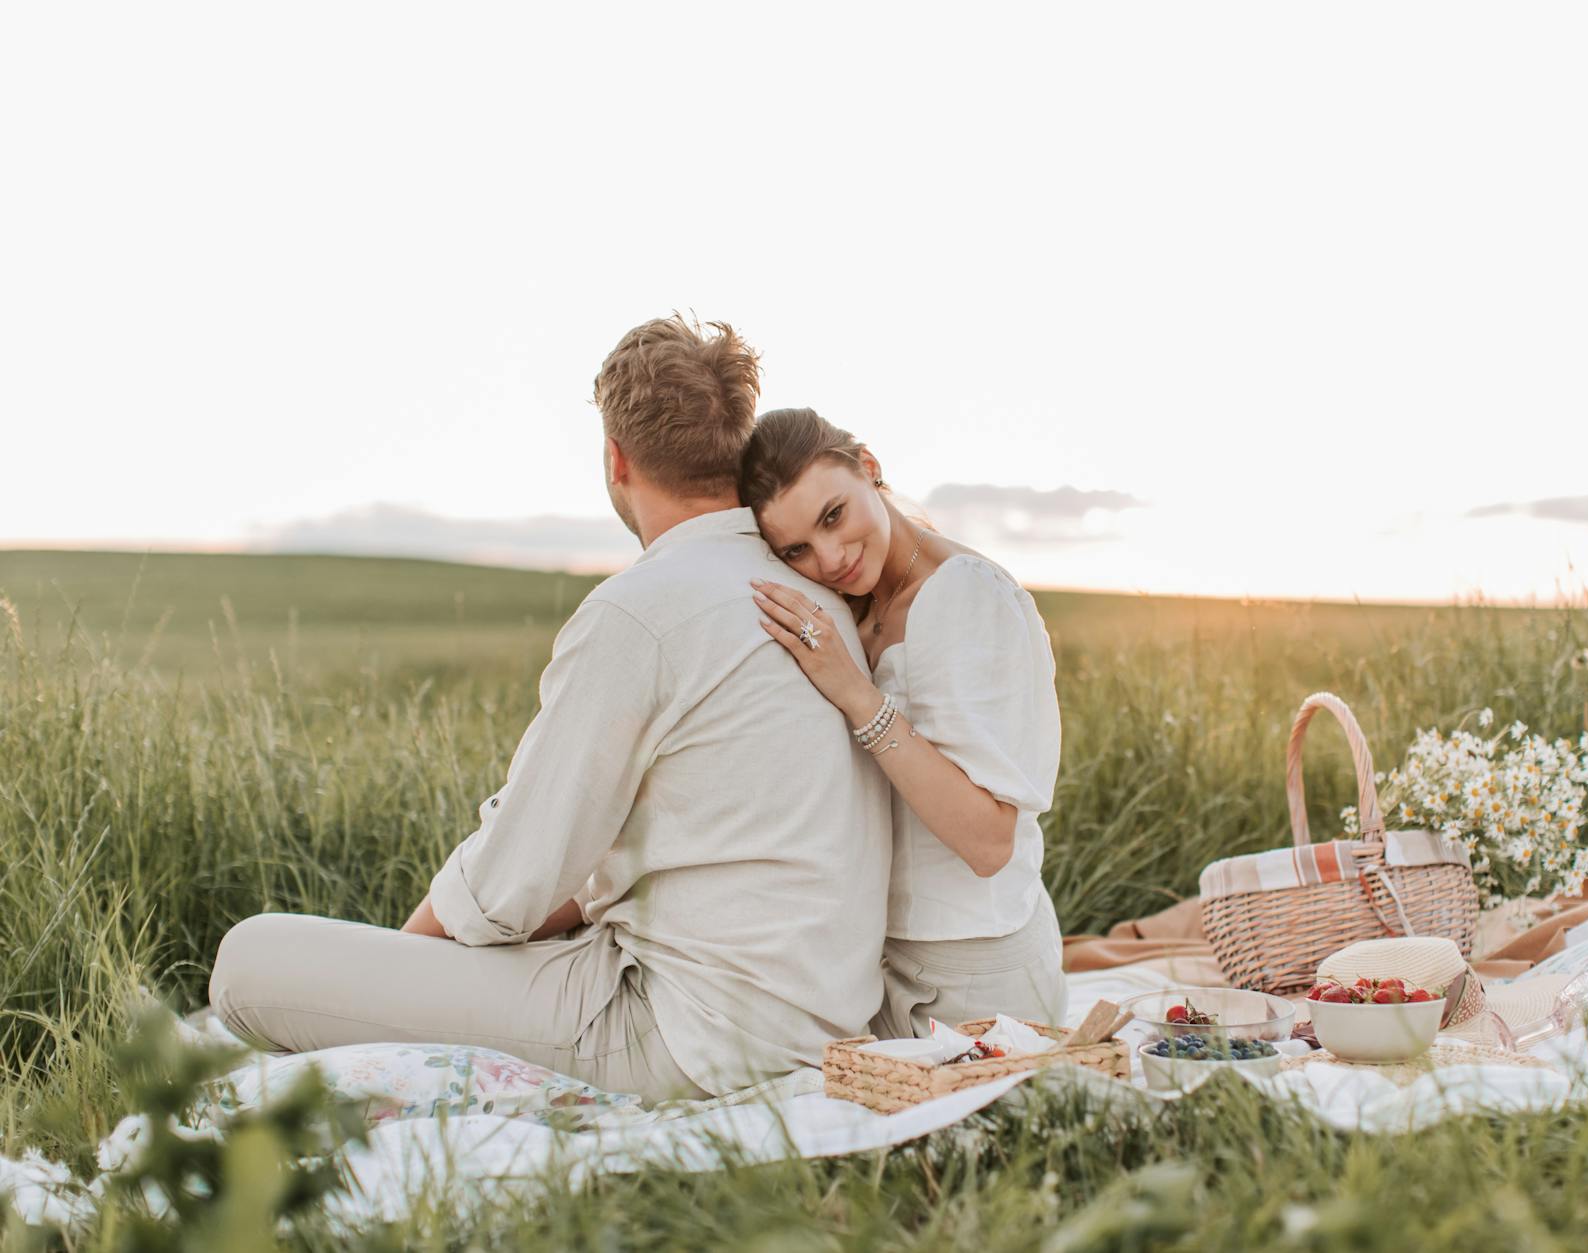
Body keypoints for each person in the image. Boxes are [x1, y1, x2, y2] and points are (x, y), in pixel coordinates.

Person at [209, 317, 891, 1100]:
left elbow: (509, 885)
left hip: (687, 1037)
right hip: (822, 1018)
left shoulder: (639, 613)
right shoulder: (820, 594)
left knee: (249, 962)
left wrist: (401, 966)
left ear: (617, 459)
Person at [738, 408, 1069, 1038]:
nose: (830, 557)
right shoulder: (863, 602)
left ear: (870, 468)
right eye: (797, 549)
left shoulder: (963, 597)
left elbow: (989, 842)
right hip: (885, 965)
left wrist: (857, 695)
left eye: (833, 515)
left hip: (974, 978)